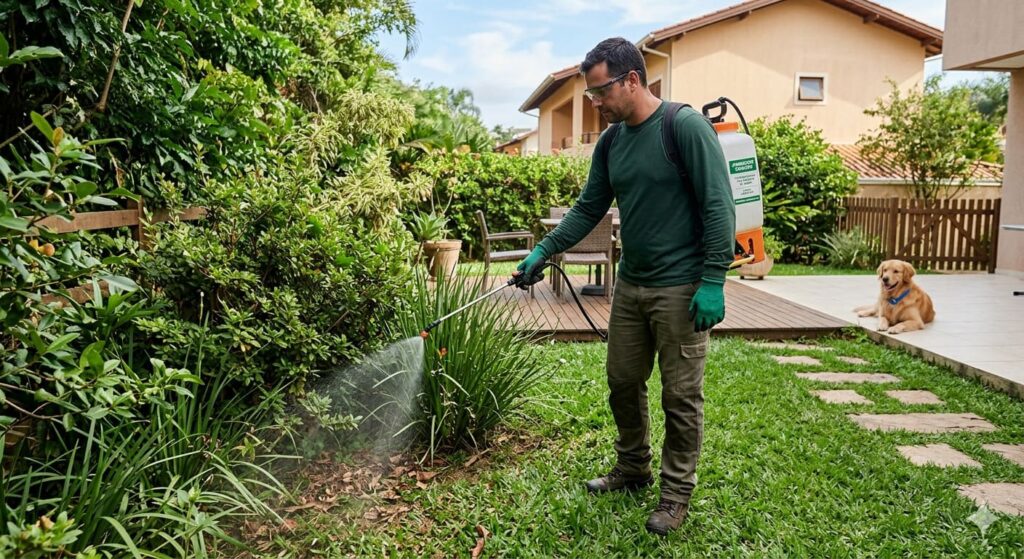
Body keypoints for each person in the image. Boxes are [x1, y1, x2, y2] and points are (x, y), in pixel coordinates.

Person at [514, 37, 735, 536]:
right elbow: (589, 207)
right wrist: (543, 252)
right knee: (621, 382)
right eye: (591, 95)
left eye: (599, 92)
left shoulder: (685, 127)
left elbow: (720, 205)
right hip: (632, 286)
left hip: (683, 287)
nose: (595, 103)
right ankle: (633, 466)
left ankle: (675, 494)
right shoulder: (613, 142)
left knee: (680, 396)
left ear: (631, 79)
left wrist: (714, 280)